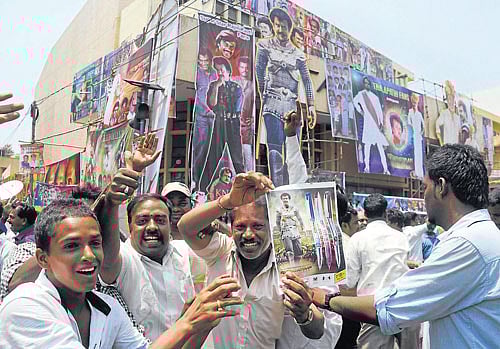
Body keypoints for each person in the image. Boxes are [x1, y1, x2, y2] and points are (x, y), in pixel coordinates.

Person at [310, 144, 500, 349]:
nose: (424, 196)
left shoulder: (467, 243)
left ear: (441, 186)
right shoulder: (480, 237)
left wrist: (325, 299)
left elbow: (388, 307)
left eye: (425, 187)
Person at [0, 199, 244, 348]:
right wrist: (187, 324)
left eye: (95, 243)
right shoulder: (27, 304)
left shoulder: (106, 308)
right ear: (43, 258)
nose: (89, 255)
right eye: (72, 246)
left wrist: (198, 324)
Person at [178, 172, 342, 349]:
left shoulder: (292, 269)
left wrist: (304, 315)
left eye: (258, 226)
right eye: (240, 226)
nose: (248, 235)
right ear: (231, 229)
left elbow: (317, 332)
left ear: (272, 228)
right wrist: (229, 201)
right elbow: (185, 227)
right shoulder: (220, 251)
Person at [344, 194, 419, 349]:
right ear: (385, 213)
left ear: (364, 213)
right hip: (402, 302)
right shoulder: (400, 237)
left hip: (372, 305)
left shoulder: (357, 239)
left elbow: (350, 281)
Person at [256, 8, 317, 187]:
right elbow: (259, 70)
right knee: (274, 149)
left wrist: (311, 105)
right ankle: (276, 190)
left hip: (291, 104)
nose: (281, 30)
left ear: (289, 28)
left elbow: (306, 80)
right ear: (273, 26)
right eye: (277, 26)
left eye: (284, 26)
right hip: (272, 102)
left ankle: (291, 189)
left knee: (293, 150)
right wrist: (263, 94)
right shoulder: (265, 46)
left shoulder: (298, 54)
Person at [161, 181, 209, 294]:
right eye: (170, 204)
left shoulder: (204, 236)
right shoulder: (157, 240)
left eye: (182, 204)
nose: (176, 209)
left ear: (192, 205)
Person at [204, 56, 244, 191]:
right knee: (213, 156)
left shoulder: (236, 87)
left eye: (221, 69)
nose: (219, 73)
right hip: (219, 122)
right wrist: (216, 86)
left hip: (232, 123)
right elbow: (212, 104)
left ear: (228, 70)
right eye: (217, 70)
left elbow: (238, 108)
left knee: (237, 158)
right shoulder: (213, 85)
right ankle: (202, 188)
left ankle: (244, 187)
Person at [192, 48, 218, 192]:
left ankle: (209, 182)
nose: (203, 64)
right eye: (200, 61)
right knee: (201, 148)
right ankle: (196, 181)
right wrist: (207, 110)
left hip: (214, 116)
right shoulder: (197, 74)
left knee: (213, 148)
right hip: (202, 116)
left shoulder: (215, 73)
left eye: (205, 60)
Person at [353, 77, 390, 175]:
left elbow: (379, 112)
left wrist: (381, 123)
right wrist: (361, 111)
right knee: (367, 146)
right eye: (365, 83)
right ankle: (367, 167)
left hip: (376, 125)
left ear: (370, 84)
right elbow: (354, 101)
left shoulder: (375, 97)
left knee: (380, 147)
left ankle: (386, 169)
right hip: (368, 124)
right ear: (363, 84)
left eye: (368, 83)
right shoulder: (361, 94)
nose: (367, 85)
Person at [232, 56, 255, 172]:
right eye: (242, 67)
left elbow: (255, 104)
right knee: (235, 152)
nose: (244, 70)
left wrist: (252, 119)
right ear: (238, 67)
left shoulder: (252, 86)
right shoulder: (233, 81)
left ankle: (249, 175)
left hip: (246, 123)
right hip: (233, 122)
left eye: (247, 68)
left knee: (247, 152)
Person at [276, 192, 305, 266]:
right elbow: (277, 221)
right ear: (281, 200)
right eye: (283, 198)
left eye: (286, 198)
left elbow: (299, 218)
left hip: (295, 230)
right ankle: (292, 265)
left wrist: (302, 226)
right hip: (286, 231)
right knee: (289, 250)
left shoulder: (294, 208)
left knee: (298, 249)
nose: (285, 200)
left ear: (289, 199)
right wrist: (280, 231)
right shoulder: (279, 210)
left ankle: (298, 264)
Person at [435, 80, 460, 146]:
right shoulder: (444, 114)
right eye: (448, 99)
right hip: (448, 146)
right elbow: (438, 129)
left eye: (451, 99)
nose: (450, 101)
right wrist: (442, 144)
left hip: (456, 148)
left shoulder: (457, 117)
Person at [408, 93, 424, 178]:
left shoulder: (419, 114)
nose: (414, 104)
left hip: (418, 136)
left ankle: (420, 173)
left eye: (415, 102)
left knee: (419, 154)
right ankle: (417, 172)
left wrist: (420, 133)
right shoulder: (410, 112)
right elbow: (409, 122)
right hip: (413, 135)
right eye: (413, 102)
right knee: (415, 153)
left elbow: (423, 126)